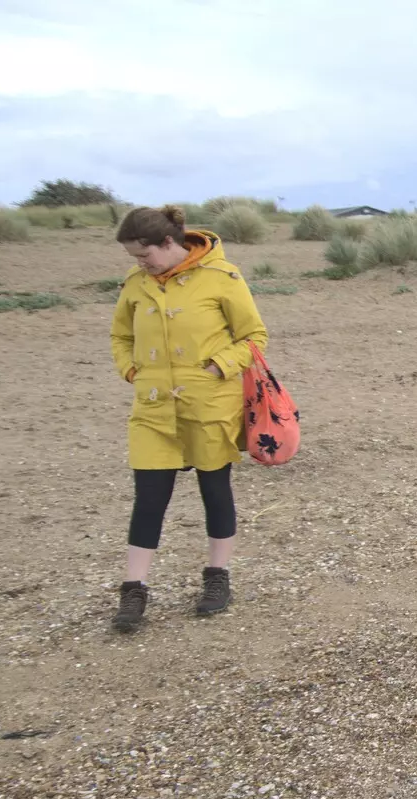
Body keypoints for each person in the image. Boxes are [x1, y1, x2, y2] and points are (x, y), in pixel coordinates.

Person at [109, 205, 267, 632]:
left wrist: (218, 366)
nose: (140, 264)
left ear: (168, 243)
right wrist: (130, 369)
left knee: (215, 492)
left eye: (145, 256)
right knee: (149, 499)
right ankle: (134, 589)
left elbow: (254, 337)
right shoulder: (136, 285)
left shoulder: (223, 278)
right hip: (153, 407)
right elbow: (120, 335)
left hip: (209, 405)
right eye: (134, 259)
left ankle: (218, 578)